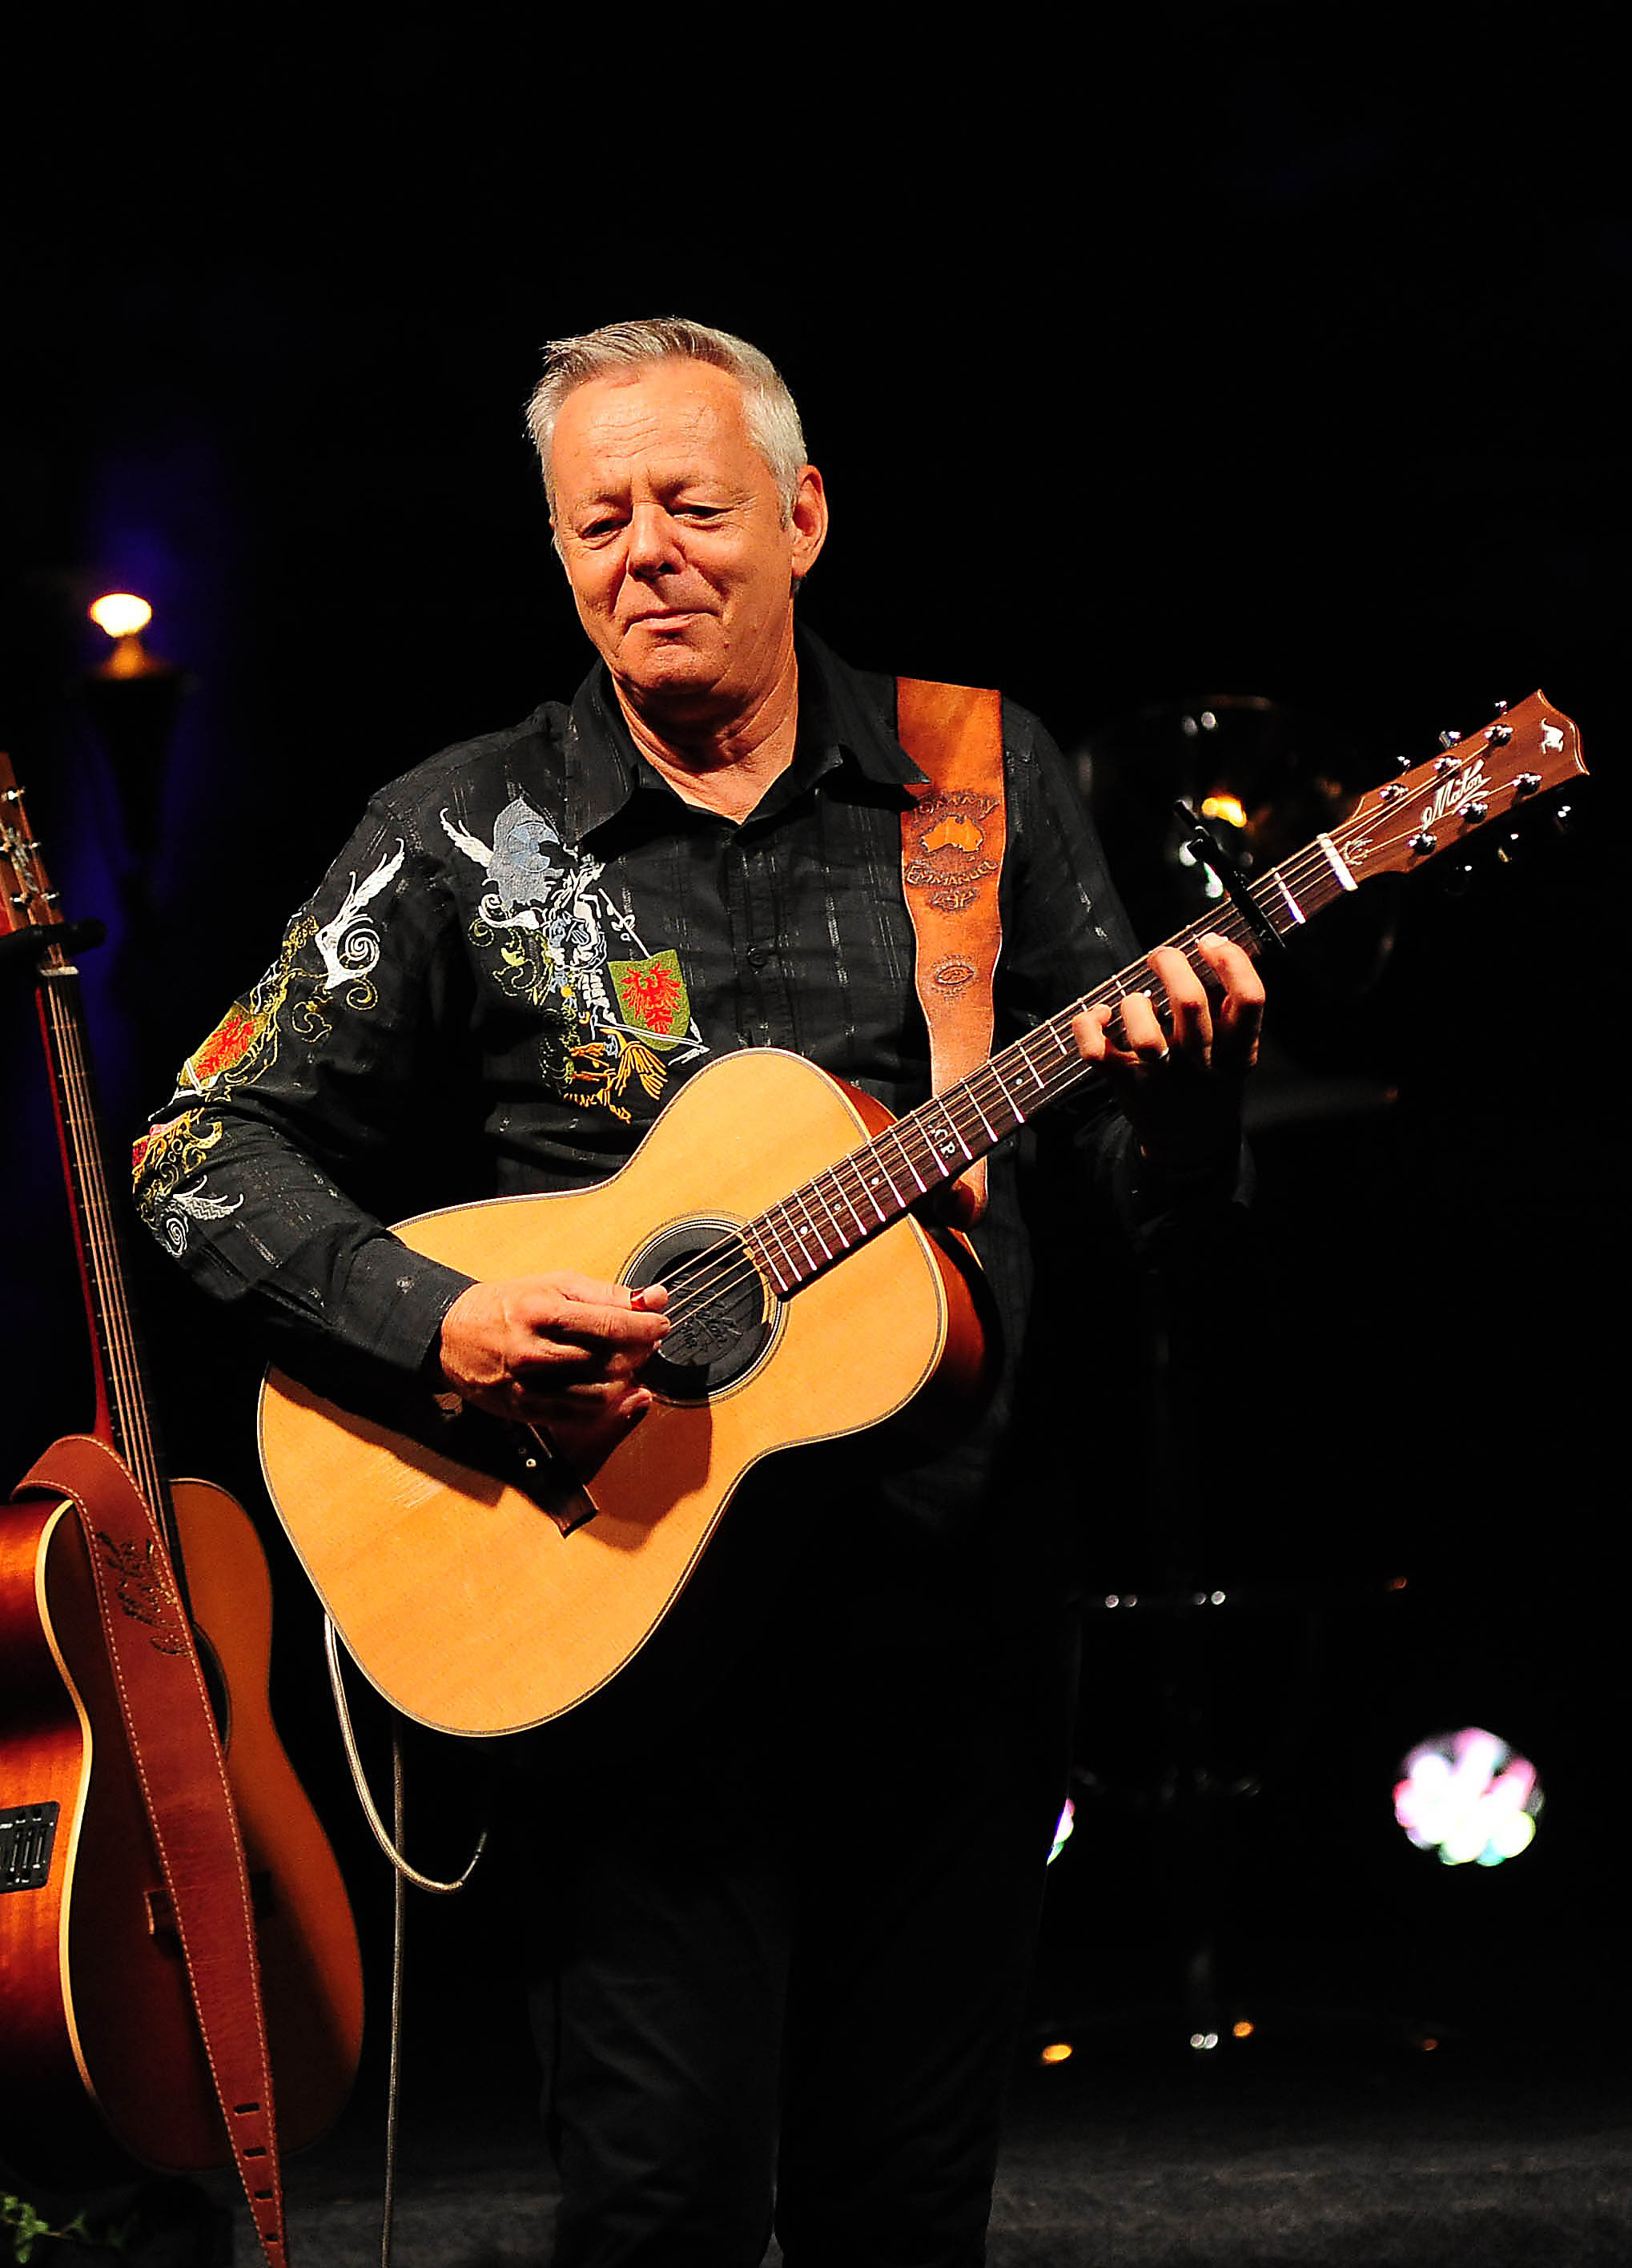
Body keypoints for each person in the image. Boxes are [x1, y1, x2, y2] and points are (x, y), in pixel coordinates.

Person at [134, 317, 1264, 2268]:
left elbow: (1126, 1221)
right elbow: (189, 1152)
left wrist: (1185, 1105)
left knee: (897, 2216)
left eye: (692, 504)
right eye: (598, 520)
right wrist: (437, 1321)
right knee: (654, 2210)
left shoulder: (973, 785)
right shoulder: (459, 832)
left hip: (951, 1628)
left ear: (802, 515)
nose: (644, 550)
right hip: (624, 1635)